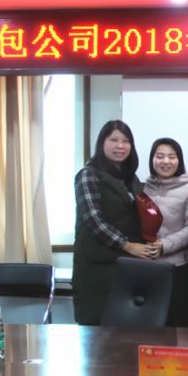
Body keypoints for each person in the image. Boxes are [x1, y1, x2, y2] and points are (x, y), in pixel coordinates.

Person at [73, 120, 159, 325]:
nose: (120, 145)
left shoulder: (131, 179)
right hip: (97, 271)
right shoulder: (88, 175)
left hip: (127, 268)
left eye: (126, 141)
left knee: (129, 333)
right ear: (102, 143)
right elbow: (94, 220)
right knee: (98, 334)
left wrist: (151, 240)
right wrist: (127, 245)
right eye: (114, 140)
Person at [142, 138, 188, 326]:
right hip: (146, 265)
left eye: (171, 157)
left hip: (177, 266)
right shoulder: (143, 188)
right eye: (160, 156)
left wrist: (163, 245)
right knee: (149, 324)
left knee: (178, 325)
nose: (165, 161)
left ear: (179, 160)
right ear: (152, 159)